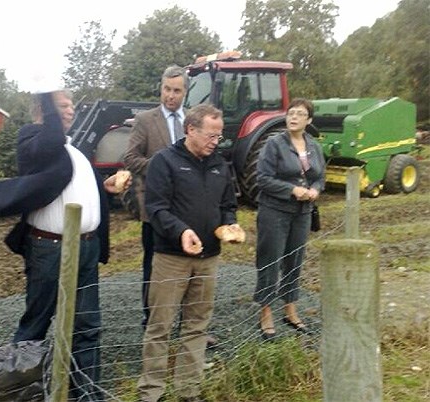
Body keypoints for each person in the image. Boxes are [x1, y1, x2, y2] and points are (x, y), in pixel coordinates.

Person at [0, 88, 128, 401]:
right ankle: (19, 393)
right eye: (62, 105)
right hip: (50, 249)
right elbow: (47, 147)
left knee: (87, 326)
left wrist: (102, 188)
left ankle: (87, 394)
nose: (71, 110)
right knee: (35, 326)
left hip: (85, 247)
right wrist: (48, 100)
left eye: (71, 104)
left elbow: (66, 185)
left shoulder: (71, 147)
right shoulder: (32, 139)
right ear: (43, 109)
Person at [137, 104, 241, 402]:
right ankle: (151, 393)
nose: (215, 141)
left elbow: (228, 205)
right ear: (190, 130)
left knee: (197, 325)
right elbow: (156, 208)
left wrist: (230, 225)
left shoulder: (220, 163)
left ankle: (188, 391)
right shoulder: (164, 162)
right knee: (160, 327)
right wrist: (181, 231)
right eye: (210, 134)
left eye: (219, 135)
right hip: (171, 259)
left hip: (209, 258)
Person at [254, 98, 325, 340]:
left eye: (300, 114)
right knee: (270, 262)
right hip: (274, 212)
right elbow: (262, 178)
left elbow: (320, 177)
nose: (293, 117)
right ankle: (265, 314)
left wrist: (315, 189)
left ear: (309, 120)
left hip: (302, 214)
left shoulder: (314, 146)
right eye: (291, 113)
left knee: (294, 262)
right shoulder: (274, 144)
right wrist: (291, 190)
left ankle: (290, 311)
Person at [124, 64, 188, 330]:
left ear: (185, 92)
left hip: (187, 206)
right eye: (166, 89)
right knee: (154, 265)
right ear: (160, 88)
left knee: (188, 265)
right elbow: (130, 158)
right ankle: (151, 321)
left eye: (176, 91)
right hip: (156, 207)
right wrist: (162, 167)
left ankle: (188, 323)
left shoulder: (194, 120)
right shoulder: (146, 120)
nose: (170, 96)